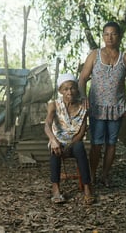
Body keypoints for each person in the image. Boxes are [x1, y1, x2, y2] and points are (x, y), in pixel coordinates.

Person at [78, 21, 126, 187]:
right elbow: (82, 79)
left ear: (119, 36)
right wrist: (83, 98)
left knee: (111, 143)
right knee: (96, 144)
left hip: (116, 108)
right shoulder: (94, 55)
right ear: (103, 36)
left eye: (113, 34)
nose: (109, 37)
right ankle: (92, 175)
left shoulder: (125, 58)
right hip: (96, 108)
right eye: (106, 34)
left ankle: (105, 175)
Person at [44, 73, 94, 204]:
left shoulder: (84, 106)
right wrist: (54, 141)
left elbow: (81, 133)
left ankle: (87, 188)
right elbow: (47, 125)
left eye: (72, 88)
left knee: (79, 147)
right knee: (54, 151)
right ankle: (56, 189)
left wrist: (69, 146)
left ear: (77, 89)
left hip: (74, 143)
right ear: (60, 91)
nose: (69, 92)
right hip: (57, 143)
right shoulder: (53, 105)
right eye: (65, 89)